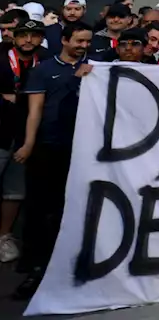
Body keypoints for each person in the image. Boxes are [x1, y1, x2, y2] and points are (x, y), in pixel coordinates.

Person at [10, 21, 93, 298]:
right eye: (79, 41)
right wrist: (29, 144)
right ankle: (33, 262)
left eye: (87, 42)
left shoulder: (96, 66)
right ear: (65, 40)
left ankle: (58, 262)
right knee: (37, 207)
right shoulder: (42, 70)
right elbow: (34, 112)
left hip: (80, 149)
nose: (83, 46)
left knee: (65, 207)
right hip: (47, 146)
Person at [0, 19, 50, 264]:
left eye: (34, 36)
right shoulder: (0, 59)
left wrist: (13, 98)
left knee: (14, 192)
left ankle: (4, 237)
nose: (28, 41)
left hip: (27, 138)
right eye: (23, 35)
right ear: (13, 37)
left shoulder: (46, 64)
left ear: (42, 39)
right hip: (1, 133)